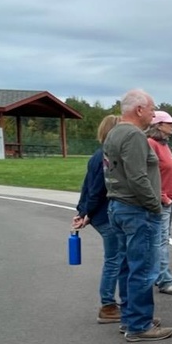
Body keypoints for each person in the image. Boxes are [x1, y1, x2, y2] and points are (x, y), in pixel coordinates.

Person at [102, 89, 172, 342]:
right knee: (143, 268)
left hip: (118, 206)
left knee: (127, 266)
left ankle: (131, 317)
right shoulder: (132, 135)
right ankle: (139, 325)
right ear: (139, 109)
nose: (154, 113)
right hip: (136, 209)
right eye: (152, 108)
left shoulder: (114, 132)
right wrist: (154, 205)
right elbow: (138, 176)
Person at [72, 114, 123, 324]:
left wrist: (82, 211)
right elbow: (95, 191)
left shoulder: (98, 155)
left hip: (99, 214)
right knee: (114, 260)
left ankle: (110, 302)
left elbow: (86, 187)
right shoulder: (104, 157)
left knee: (116, 258)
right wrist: (87, 213)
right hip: (105, 216)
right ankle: (108, 305)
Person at [146, 110, 172, 295]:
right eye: (169, 123)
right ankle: (163, 279)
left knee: (164, 238)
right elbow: (148, 174)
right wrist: (163, 195)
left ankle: (163, 273)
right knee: (160, 240)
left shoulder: (164, 144)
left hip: (170, 198)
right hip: (162, 201)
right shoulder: (151, 144)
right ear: (158, 125)